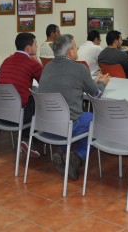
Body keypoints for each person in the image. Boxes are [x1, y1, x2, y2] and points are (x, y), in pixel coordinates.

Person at [38, 34, 110, 180]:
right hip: (68, 125)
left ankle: (63, 152)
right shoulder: (79, 69)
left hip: (47, 126)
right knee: (99, 120)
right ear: (70, 52)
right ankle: (77, 157)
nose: (77, 50)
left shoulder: (46, 68)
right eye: (76, 47)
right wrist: (102, 83)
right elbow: (95, 95)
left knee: (82, 117)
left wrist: (89, 82)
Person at [0, 33, 43, 158]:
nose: (37, 46)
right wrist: (37, 62)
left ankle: (30, 137)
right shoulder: (31, 63)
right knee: (38, 100)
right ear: (28, 48)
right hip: (18, 115)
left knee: (29, 100)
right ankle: (28, 138)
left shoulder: (6, 60)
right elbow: (45, 83)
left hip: (0, 113)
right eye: (35, 44)